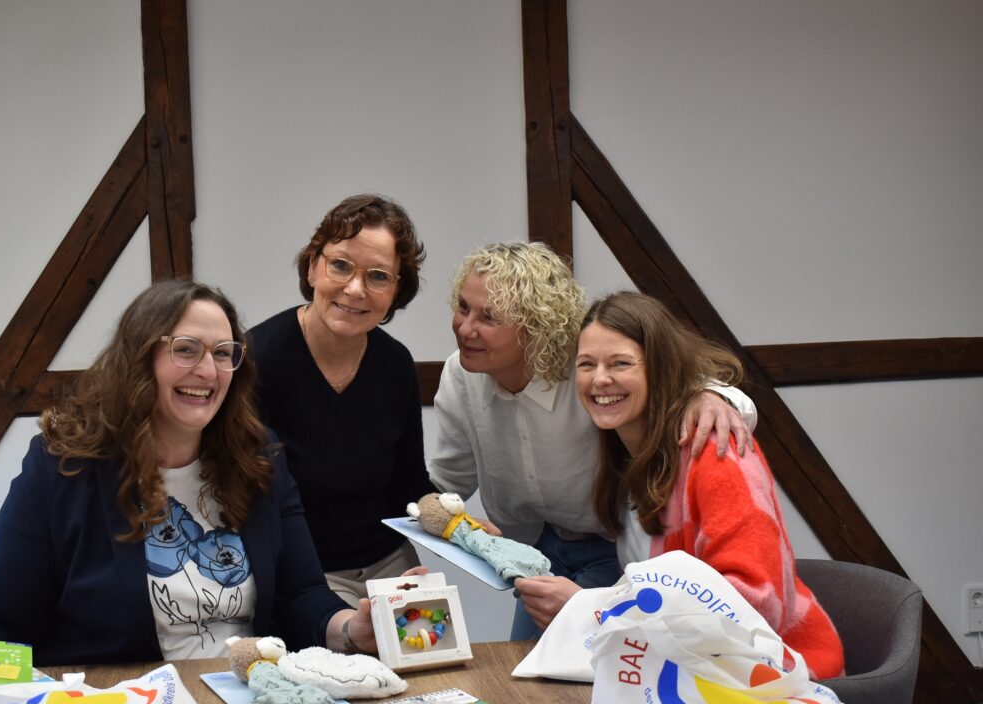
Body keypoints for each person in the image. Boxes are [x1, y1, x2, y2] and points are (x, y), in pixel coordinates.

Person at [0, 280, 377, 668]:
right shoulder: (64, 466)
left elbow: (301, 593)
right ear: (140, 358)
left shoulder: (259, 457)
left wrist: (350, 629)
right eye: (186, 349)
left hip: (251, 700)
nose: (208, 371)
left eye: (223, 352)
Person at [428, 242, 757, 639]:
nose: (465, 329)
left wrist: (713, 397)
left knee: (590, 661)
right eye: (463, 308)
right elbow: (447, 480)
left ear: (536, 328)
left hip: (610, 546)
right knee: (531, 667)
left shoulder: (588, 365)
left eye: (489, 317)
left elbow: (698, 388)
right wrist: (451, 523)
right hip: (534, 550)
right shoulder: (460, 374)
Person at [575, 291, 843, 678]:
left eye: (621, 363)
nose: (600, 379)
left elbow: (755, 601)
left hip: (777, 678)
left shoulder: (716, 452)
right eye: (586, 364)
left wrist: (596, 610)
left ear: (661, 368)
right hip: (690, 670)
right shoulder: (625, 456)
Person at [249, 195, 436, 606]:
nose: (355, 288)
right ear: (312, 267)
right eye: (340, 265)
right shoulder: (258, 360)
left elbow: (409, 483)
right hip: (303, 572)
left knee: (436, 642)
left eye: (379, 276)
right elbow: (249, 501)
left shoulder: (395, 364)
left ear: (396, 291)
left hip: (391, 562)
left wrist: (460, 527)